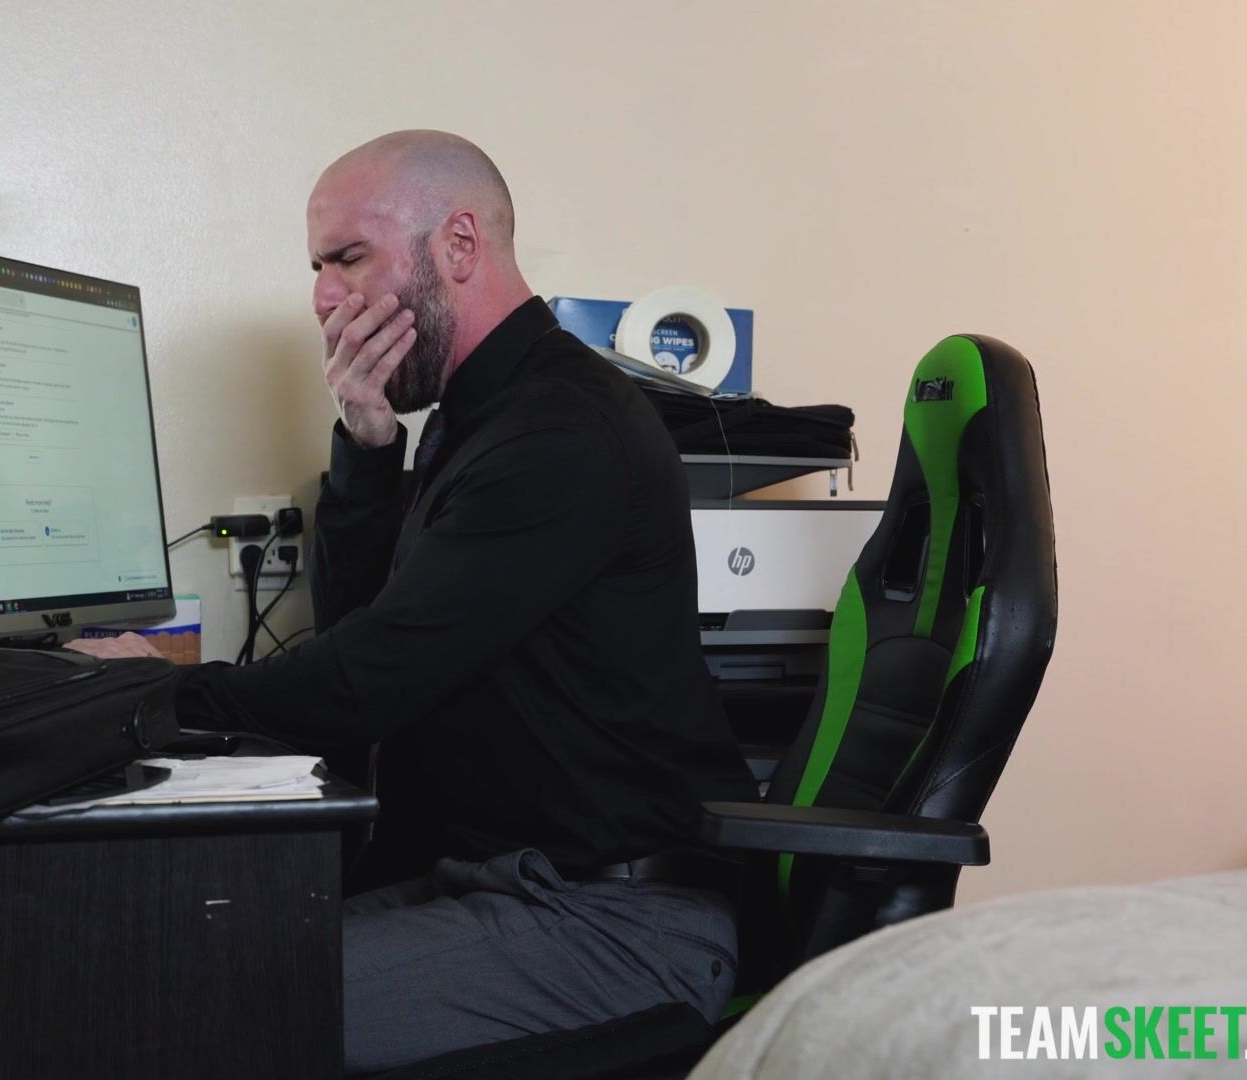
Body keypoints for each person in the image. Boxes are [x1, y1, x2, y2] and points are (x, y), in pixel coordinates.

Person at [68, 130, 753, 1074]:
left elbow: (370, 679)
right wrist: (368, 441)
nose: (323, 296)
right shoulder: (475, 419)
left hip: (617, 918)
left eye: (348, 257)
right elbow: (366, 624)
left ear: (458, 245)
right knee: (167, 960)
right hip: (502, 883)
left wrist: (151, 690)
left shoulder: (561, 431)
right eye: (317, 268)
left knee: (191, 1010)